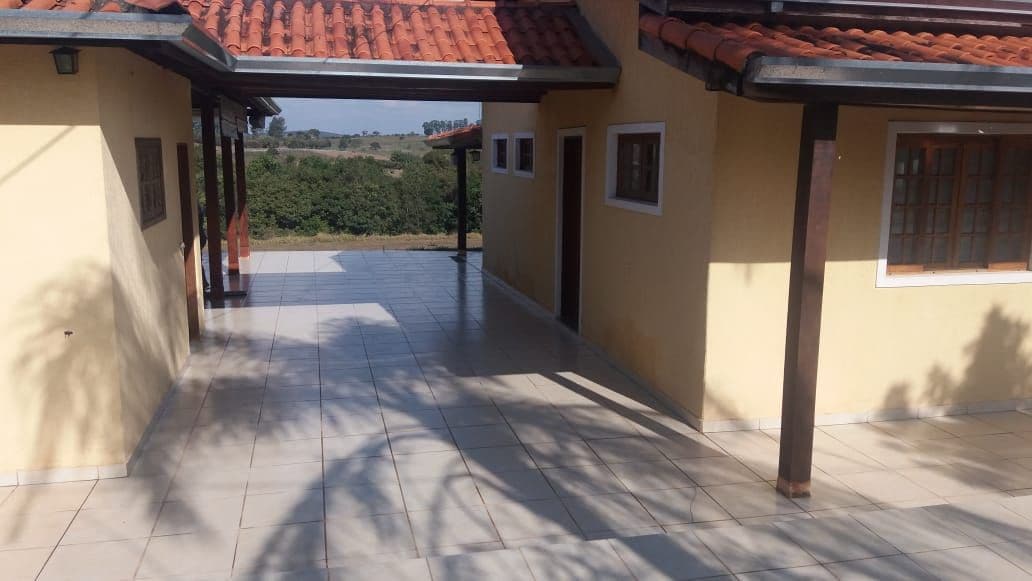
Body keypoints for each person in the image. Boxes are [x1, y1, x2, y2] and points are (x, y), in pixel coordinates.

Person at [198, 202, 210, 296]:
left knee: (198, 261)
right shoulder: (199, 208)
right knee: (199, 260)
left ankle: (203, 283)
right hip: (201, 236)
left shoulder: (196, 209)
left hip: (200, 236)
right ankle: (204, 283)